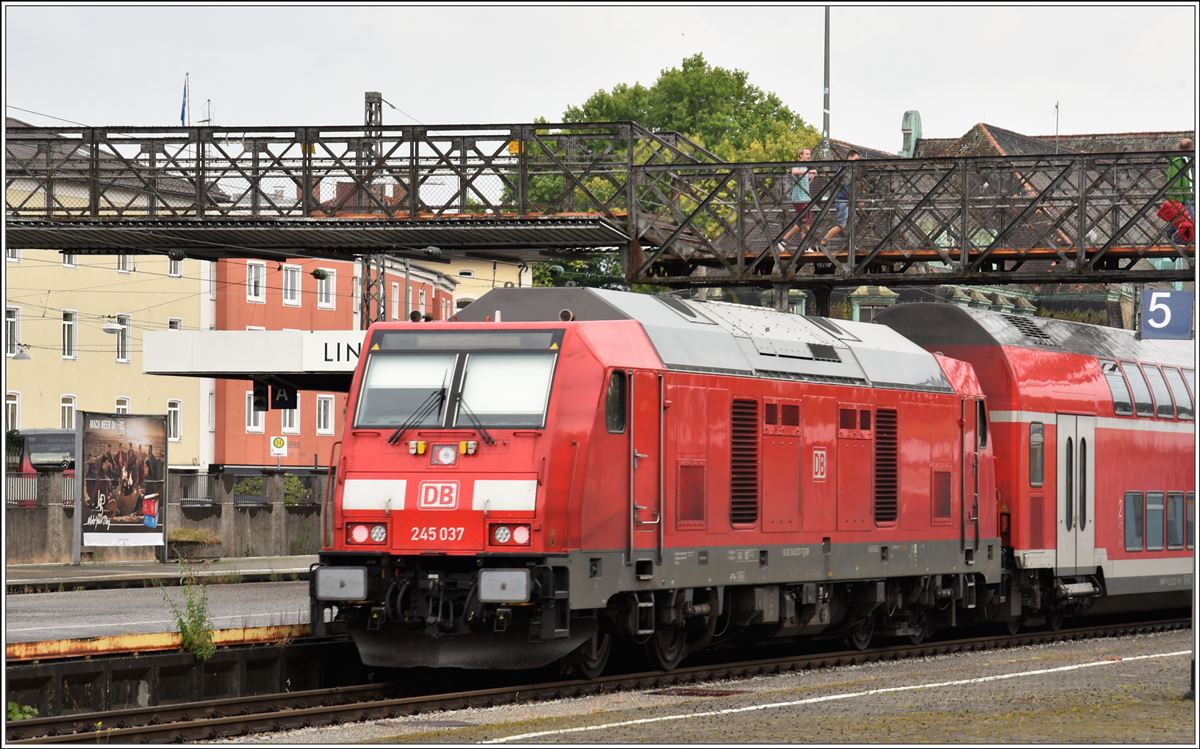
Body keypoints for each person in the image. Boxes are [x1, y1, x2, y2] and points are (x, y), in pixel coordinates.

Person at [779, 147, 816, 252]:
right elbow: (794, 171)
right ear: (801, 155)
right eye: (807, 154)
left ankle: (805, 246)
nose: (809, 156)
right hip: (799, 198)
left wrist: (813, 173)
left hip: (806, 198)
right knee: (802, 222)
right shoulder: (798, 165)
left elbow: (809, 177)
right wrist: (810, 171)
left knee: (807, 223)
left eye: (809, 154)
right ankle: (783, 240)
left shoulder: (805, 167)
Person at [822, 150, 861, 246]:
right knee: (841, 225)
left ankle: (851, 245)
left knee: (850, 223)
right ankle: (823, 242)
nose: (857, 162)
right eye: (856, 159)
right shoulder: (844, 168)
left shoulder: (848, 169)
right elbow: (843, 183)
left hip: (847, 200)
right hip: (842, 200)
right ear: (850, 157)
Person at [1165, 138, 1194, 242]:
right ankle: (1177, 241)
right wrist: (1178, 199)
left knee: (1180, 220)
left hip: (1187, 195)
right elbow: (1176, 181)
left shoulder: (1185, 159)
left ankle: (1171, 234)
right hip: (1183, 197)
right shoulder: (1179, 161)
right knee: (1191, 221)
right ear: (1189, 148)